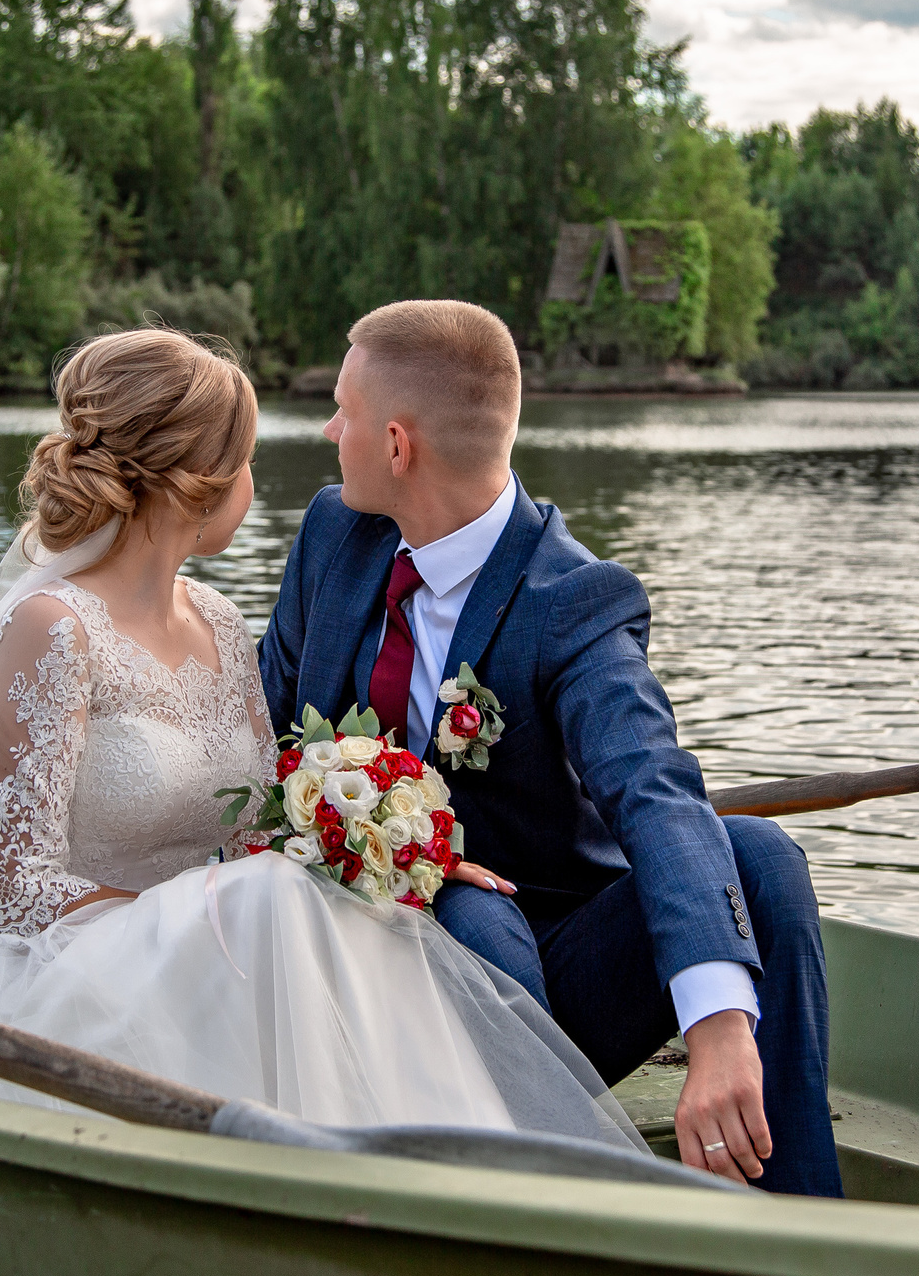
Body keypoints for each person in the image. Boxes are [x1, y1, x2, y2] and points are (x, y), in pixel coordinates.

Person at [0, 328, 643, 1152]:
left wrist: (403, 856)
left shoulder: (219, 622)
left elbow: (262, 824)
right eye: (249, 457)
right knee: (268, 904)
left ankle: (467, 1166)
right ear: (196, 479)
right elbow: (12, 886)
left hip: (216, 949)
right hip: (66, 971)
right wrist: (191, 918)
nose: (261, 481)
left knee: (330, 917)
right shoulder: (51, 630)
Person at [258, 300, 843, 1194]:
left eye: (343, 410)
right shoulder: (335, 535)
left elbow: (654, 785)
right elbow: (264, 744)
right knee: (467, 910)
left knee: (758, 856)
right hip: (351, 972)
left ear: (397, 444)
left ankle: (799, 1208)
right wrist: (393, 855)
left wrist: (719, 1027)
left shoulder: (571, 598)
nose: (330, 429)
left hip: (542, 986)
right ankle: (536, 1198)